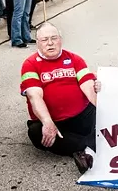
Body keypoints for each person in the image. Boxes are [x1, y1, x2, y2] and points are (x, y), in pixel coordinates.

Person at [19, 22, 98, 174]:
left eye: (54, 38)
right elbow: (34, 96)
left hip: (80, 116)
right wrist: (47, 122)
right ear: (37, 43)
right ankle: (92, 146)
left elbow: (88, 87)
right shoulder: (29, 64)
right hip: (53, 121)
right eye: (44, 39)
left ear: (60, 39)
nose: (50, 43)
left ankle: (84, 149)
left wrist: (102, 107)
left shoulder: (75, 59)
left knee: (102, 115)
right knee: (36, 133)